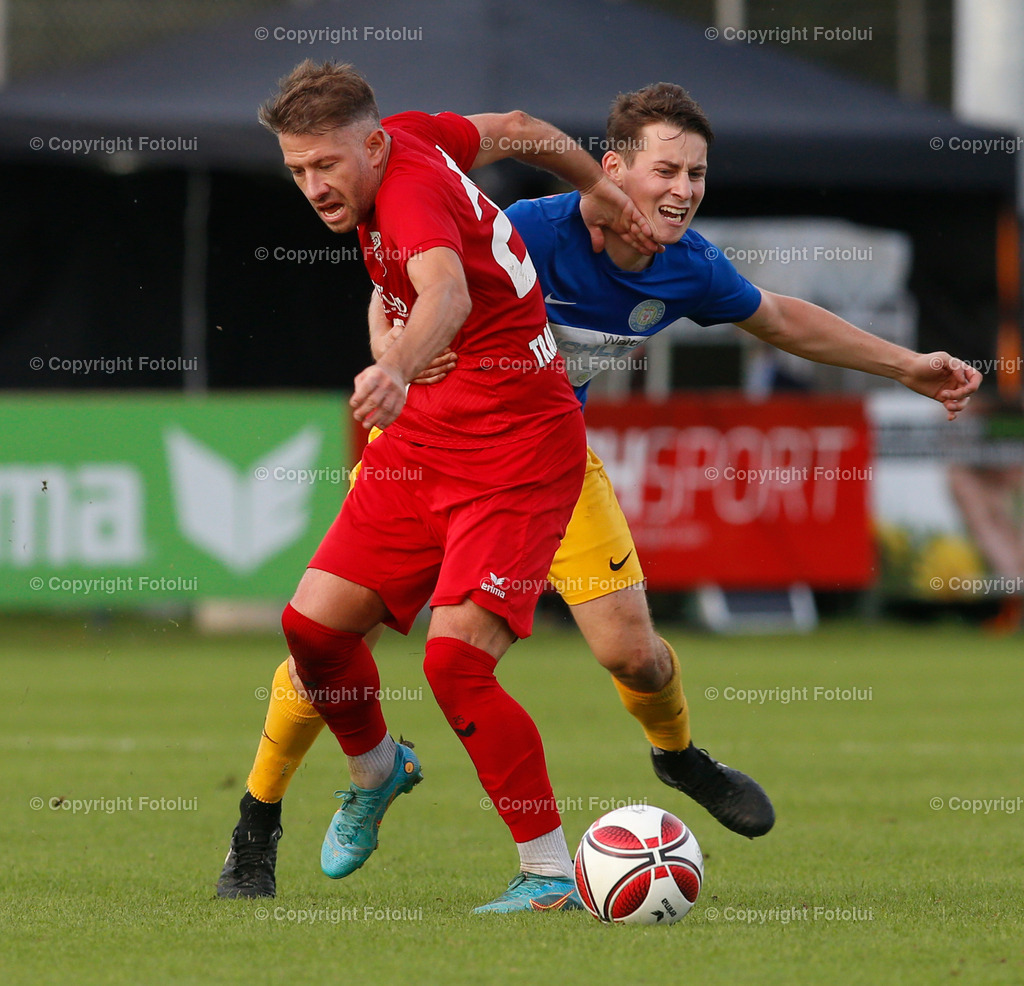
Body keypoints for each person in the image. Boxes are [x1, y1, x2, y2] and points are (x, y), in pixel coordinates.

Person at [218, 79, 983, 909]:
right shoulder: (531, 230)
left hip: (539, 458)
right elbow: (410, 285)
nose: (683, 191)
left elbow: (782, 320)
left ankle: (678, 756)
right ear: (615, 171)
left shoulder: (685, 268)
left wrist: (908, 366)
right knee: (320, 631)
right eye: (666, 172)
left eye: (696, 175)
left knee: (632, 655)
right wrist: (396, 353)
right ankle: (259, 827)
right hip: (432, 437)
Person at [216, 59, 663, 915]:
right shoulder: (410, 134)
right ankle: (379, 769)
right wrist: (592, 188)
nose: (312, 186)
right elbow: (516, 122)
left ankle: (547, 876)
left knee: (456, 664)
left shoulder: (410, 191)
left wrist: (394, 368)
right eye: (297, 170)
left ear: (374, 146)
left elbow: (447, 293)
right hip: (430, 438)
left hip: (517, 451)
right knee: (311, 629)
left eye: (325, 166)